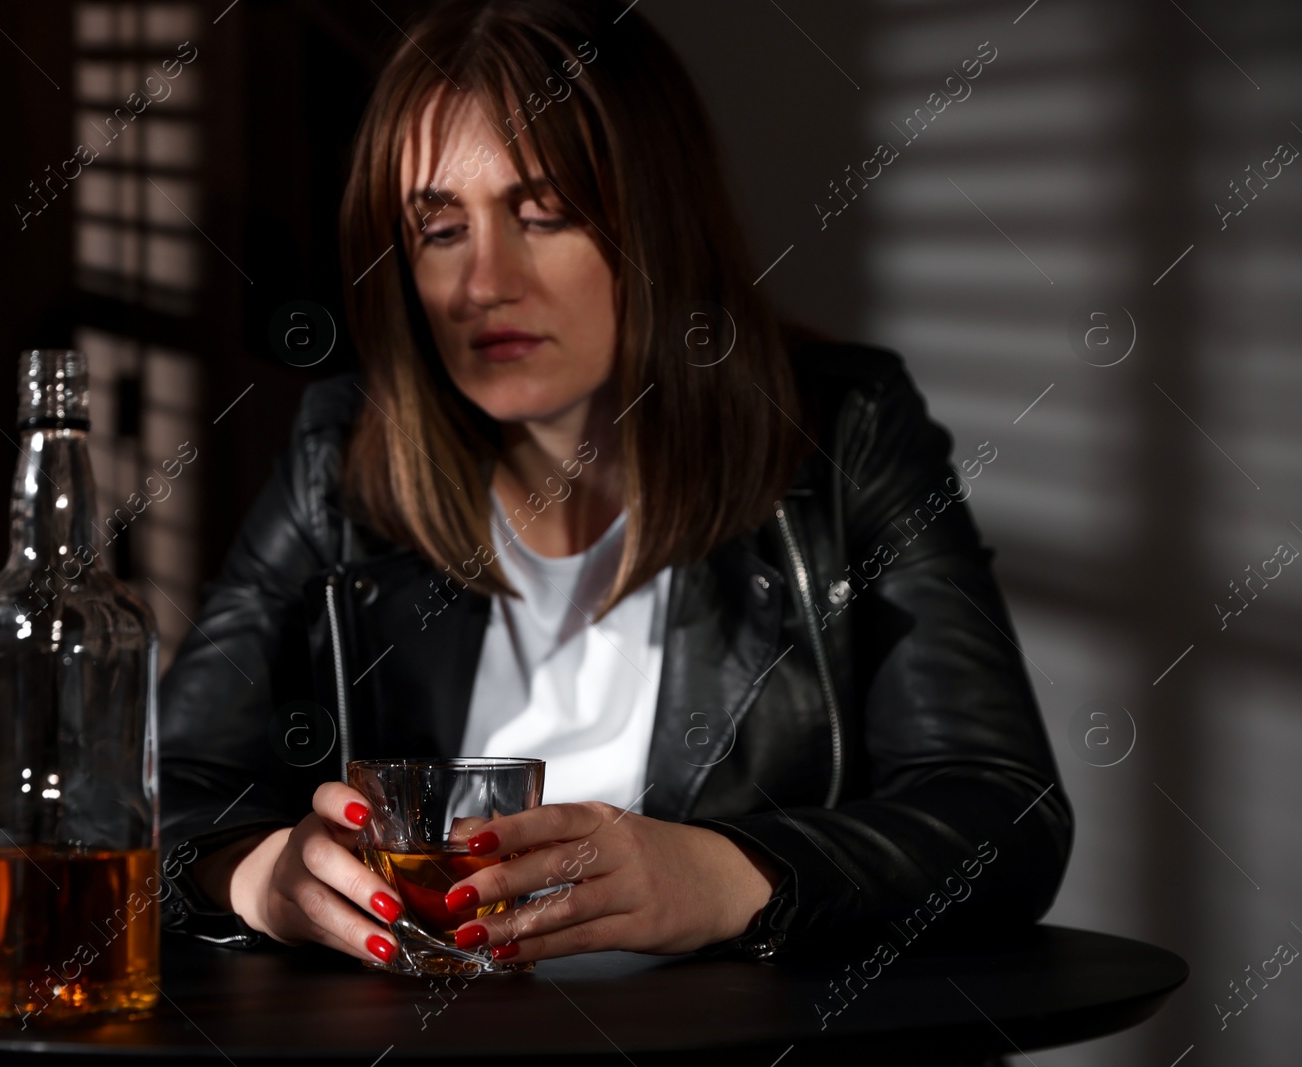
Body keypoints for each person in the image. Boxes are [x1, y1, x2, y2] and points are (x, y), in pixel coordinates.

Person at [157, 0, 1072, 971]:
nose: (482, 282)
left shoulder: (844, 432)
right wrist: (259, 875)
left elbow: (1000, 814)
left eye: (542, 213)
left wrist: (721, 877)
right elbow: (159, 793)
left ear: (657, 221)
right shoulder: (340, 449)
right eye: (437, 228)